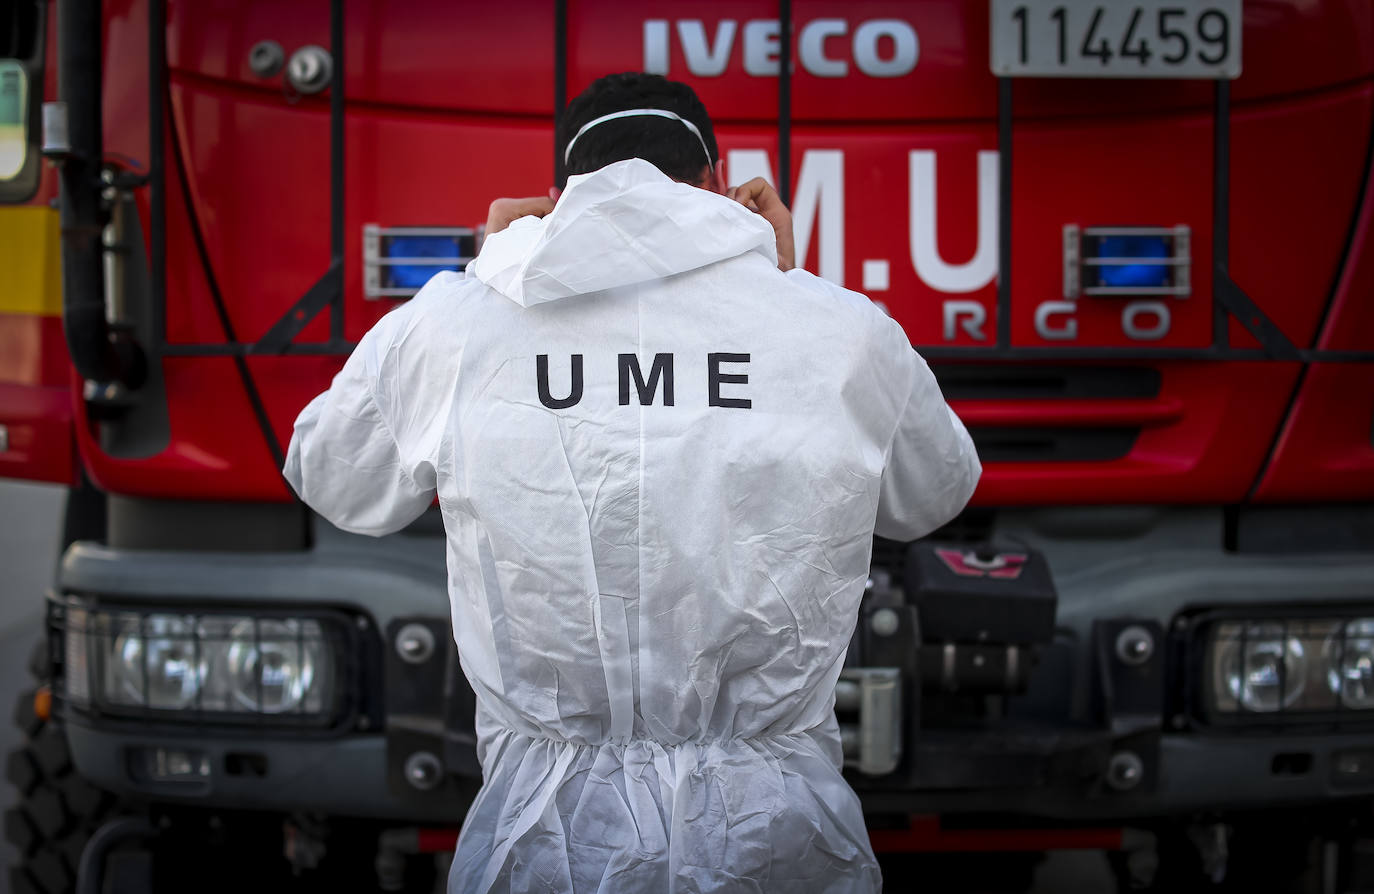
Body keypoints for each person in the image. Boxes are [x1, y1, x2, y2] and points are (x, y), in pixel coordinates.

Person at [284, 71, 981, 894]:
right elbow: (935, 494)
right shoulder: (844, 330)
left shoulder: (457, 323)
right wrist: (788, 285)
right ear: (721, 182)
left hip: (545, 842)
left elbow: (331, 474)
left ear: (557, 196)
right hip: (777, 837)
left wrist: (486, 276)